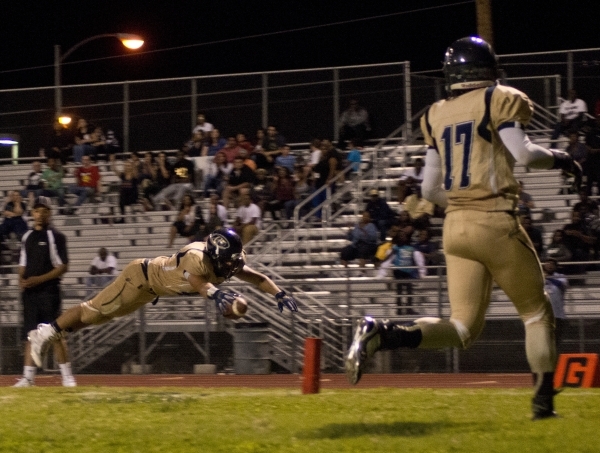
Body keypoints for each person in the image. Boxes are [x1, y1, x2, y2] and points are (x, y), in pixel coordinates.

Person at [344, 37, 583, 420]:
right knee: (537, 313)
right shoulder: (497, 98)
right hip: (494, 219)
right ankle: (542, 403)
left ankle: (386, 334)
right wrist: (564, 159)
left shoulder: (437, 112)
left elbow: (428, 189)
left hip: (455, 226)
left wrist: (462, 202)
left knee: (462, 328)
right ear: (489, 69)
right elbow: (523, 154)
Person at [26, 228, 299, 373]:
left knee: (99, 317)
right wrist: (215, 293)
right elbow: (196, 281)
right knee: (94, 310)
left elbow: (256, 277)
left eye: (234, 259)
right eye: (227, 261)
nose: (233, 265)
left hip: (151, 290)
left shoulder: (229, 259)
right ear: (214, 254)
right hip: (141, 278)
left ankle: (49, 332)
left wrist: (279, 293)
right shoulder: (198, 256)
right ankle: (46, 333)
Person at [13, 196, 76, 387]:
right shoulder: (27, 236)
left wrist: (37, 280)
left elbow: (62, 267)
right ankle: (28, 378)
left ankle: (67, 377)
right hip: (30, 294)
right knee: (30, 334)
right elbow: (22, 263)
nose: (39, 214)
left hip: (49, 292)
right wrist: (21, 280)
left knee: (56, 334)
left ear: (49, 213)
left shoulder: (56, 236)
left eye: (43, 211)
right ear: (32, 213)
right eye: (36, 210)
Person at [377, 229, 426, 315]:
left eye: (404, 236)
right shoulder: (395, 248)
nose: (402, 237)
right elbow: (388, 259)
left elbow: (417, 260)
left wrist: (421, 272)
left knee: (409, 291)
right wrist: (382, 273)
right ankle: (399, 309)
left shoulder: (411, 248)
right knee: (399, 291)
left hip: (409, 271)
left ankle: (409, 308)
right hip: (399, 271)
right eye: (400, 236)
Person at [543, 258, 568, 352]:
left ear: (555, 266)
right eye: (547, 263)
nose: (549, 265)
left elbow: (561, 285)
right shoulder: (540, 277)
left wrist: (548, 278)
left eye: (552, 264)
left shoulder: (560, 276)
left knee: (555, 342)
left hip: (557, 315)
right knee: (544, 341)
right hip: (544, 316)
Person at [111, 159, 139, 223]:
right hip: (124, 197)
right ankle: (122, 218)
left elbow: (136, 173)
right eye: (126, 165)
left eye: (129, 165)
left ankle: (122, 218)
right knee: (122, 196)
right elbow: (115, 171)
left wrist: (134, 165)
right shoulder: (123, 175)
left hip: (133, 196)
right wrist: (113, 162)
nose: (127, 167)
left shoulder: (134, 176)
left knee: (122, 195)